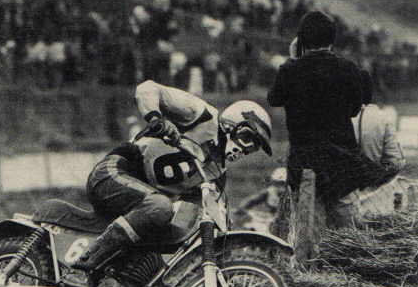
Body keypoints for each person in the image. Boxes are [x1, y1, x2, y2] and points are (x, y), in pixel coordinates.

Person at [70, 80, 273, 272]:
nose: (244, 149)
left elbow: (216, 222)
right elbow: (148, 88)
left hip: (142, 206)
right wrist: (156, 119)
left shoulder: (216, 174)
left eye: (253, 148)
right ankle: (85, 264)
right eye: (246, 138)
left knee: (174, 235)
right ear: (231, 124)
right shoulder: (203, 115)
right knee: (160, 207)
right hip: (116, 172)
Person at [267, 11, 397, 208]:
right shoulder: (349, 69)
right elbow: (354, 111)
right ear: (332, 39)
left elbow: (274, 99)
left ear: (301, 40)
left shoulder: (290, 70)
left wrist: (293, 59)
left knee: (305, 220)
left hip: (303, 162)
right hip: (342, 163)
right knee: (345, 219)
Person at [234, 167, 287, 233]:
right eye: (277, 184)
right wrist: (242, 208)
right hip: (271, 219)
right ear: (274, 183)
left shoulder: (290, 196)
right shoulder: (270, 192)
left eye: (283, 184)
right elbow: (252, 200)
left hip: (286, 221)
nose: (280, 187)